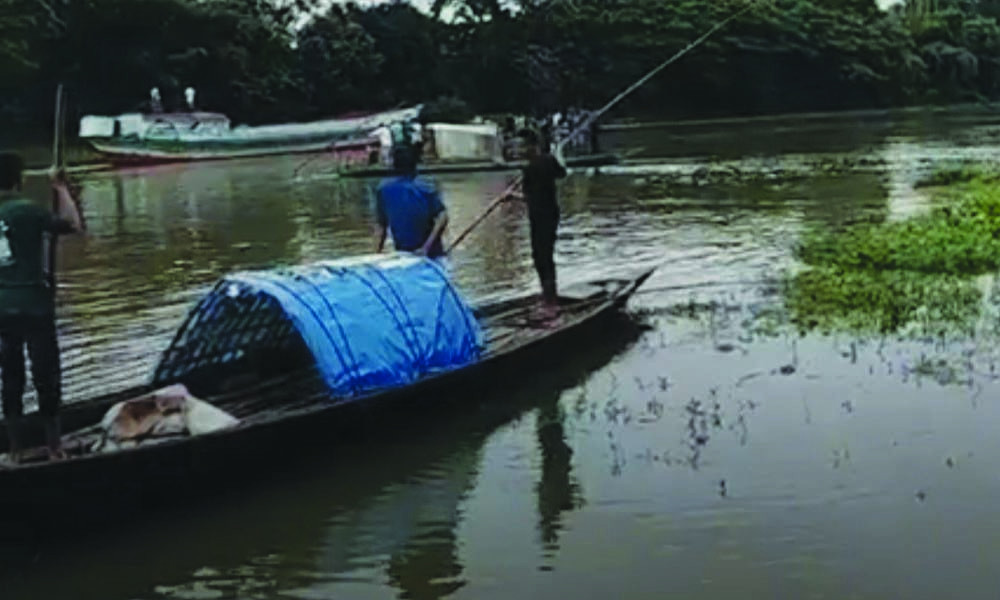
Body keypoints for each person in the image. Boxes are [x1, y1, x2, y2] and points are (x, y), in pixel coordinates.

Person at [0, 153, 84, 462]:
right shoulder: (29, 211)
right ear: (18, 179)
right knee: (46, 376)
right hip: (34, 306)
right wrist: (60, 187)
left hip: (2, 310)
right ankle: (54, 447)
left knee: (10, 378)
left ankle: (14, 452)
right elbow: (74, 224)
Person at [502, 129, 567, 316]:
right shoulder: (546, 161)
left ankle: (550, 302)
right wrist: (557, 155)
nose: (519, 150)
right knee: (544, 256)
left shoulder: (532, 168)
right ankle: (549, 297)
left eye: (522, 146)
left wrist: (512, 196)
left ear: (533, 146)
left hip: (542, 216)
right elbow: (561, 173)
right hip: (549, 214)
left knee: (541, 257)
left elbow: (533, 198)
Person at [374, 147, 449, 261]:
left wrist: (377, 253)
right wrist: (426, 248)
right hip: (431, 254)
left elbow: (381, 226)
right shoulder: (426, 188)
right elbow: (443, 217)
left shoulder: (383, 190)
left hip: (404, 255)